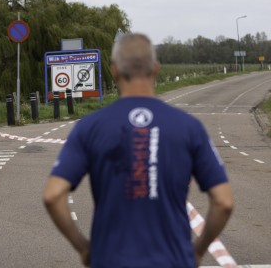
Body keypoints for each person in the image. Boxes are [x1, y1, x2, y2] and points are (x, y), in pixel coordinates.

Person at [43, 33, 233, 267]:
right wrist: (198, 249)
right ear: (155, 69)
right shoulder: (189, 127)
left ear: (114, 70)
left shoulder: (89, 127)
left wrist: (83, 247)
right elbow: (224, 202)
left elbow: (53, 195)